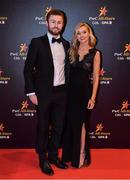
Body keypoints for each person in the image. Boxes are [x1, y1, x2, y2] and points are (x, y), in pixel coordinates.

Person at [24, 9, 70, 176]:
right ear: (47, 23)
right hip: (43, 93)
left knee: (58, 127)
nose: (56, 25)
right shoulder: (37, 42)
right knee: (43, 127)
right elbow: (27, 70)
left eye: (59, 22)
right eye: (53, 21)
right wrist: (31, 93)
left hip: (62, 92)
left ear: (63, 24)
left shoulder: (66, 44)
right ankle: (42, 158)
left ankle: (53, 156)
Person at [62, 22, 101, 168]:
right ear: (75, 36)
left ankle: (81, 154)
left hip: (84, 94)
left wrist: (93, 97)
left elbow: (96, 77)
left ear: (89, 33)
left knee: (82, 124)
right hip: (69, 94)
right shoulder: (71, 50)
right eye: (78, 33)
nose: (81, 35)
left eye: (84, 32)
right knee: (71, 124)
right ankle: (68, 155)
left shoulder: (95, 53)